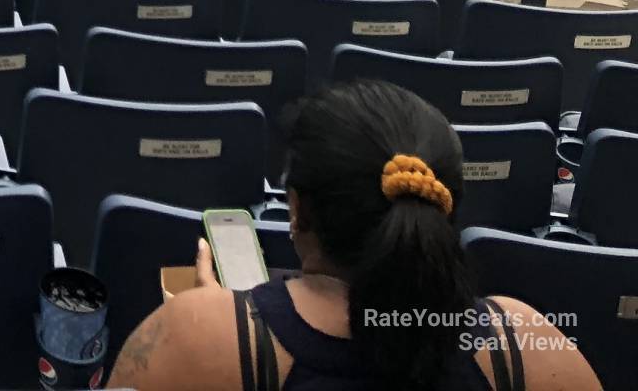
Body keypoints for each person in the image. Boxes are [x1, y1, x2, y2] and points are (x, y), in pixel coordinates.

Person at [109, 79, 592, 391]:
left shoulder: (197, 338)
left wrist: (222, 320)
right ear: (444, 211)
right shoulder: (524, 344)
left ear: (297, 211)